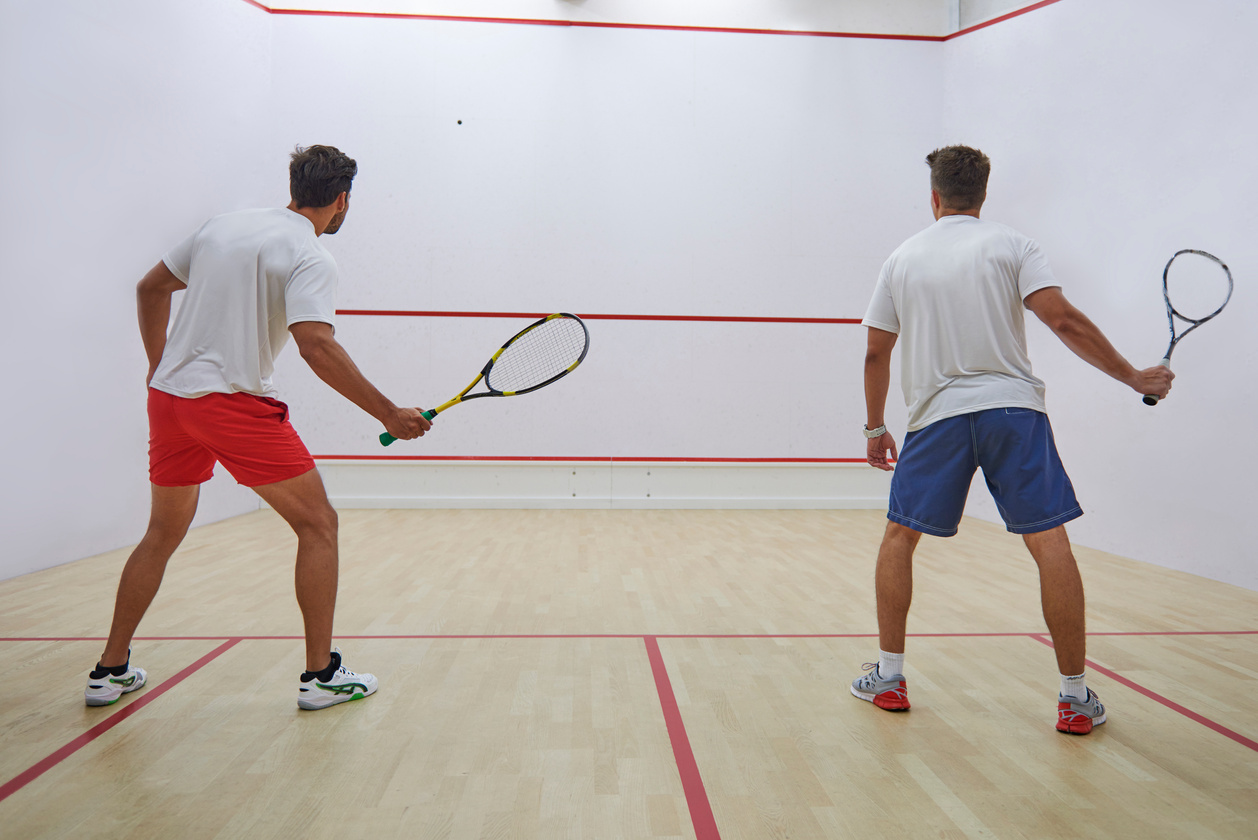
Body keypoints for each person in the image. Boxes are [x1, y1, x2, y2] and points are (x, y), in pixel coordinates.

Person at [84, 145, 431, 711]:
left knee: (161, 532)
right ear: (342, 200)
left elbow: (150, 289)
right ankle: (320, 677)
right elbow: (316, 345)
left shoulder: (224, 226)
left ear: (294, 185)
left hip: (169, 401)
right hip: (230, 407)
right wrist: (389, 413)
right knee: (319, 526)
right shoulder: (311, 256)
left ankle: (109, 669)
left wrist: (159, 365)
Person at [850, 145, 1173, 734]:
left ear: (934, 196)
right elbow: (1064, 321)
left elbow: (877, 349)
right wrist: (1132, 377)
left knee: (899, 537)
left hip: (936, 418)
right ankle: (1074, 698)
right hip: (1013, 413)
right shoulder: (1013, 245)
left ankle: (889, 679)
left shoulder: (901, 259)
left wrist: (875, 427)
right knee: (1051, 543)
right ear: (983, 195)